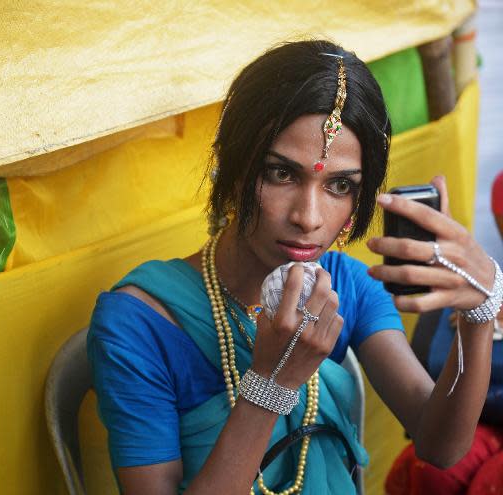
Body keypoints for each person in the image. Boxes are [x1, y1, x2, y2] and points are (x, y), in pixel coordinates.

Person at [87, 39, 501, 494]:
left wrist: (479, 315)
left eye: (339, 185)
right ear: (234, 169)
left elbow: (441, 446)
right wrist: (271, 382)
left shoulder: (345, 286)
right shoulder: (141, 323)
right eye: (281, 174)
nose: (309, 216)